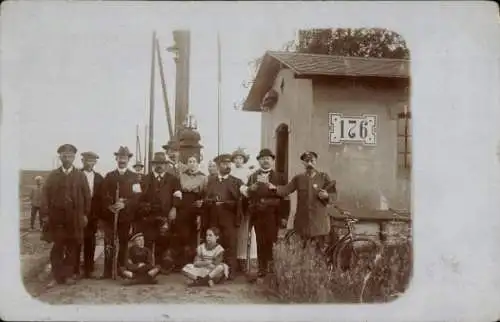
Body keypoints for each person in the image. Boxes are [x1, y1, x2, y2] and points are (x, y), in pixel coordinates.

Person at [40, 144, 91, 287]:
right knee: (57, 247)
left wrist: (85, 214)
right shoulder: (53, 175)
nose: (67, 158)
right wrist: (45, 215)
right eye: (64, 156)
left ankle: (68, 275)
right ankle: (56, 277)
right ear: (60, 157)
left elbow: (87, 196)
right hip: (57, 218)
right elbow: (45, 195)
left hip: (74, 218)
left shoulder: (80, 176)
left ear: (74, 158)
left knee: (72, 247)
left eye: (70, 156)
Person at [269, 151, 337, 248]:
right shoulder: (298, 178)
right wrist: (275, 188)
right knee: (303, 250)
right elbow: (286, 190)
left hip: (319, 222)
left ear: (316, 162)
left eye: (312, 161)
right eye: (306, 161)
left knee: (319, 251)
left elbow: (334, 195)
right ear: (303, 163)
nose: (309, 163)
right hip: (303, 222)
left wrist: (327, 195)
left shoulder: (323, 177)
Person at [240, 148, 288, 278]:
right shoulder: (253, 176)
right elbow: (246, 195)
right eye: (262, 158)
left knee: (271, 240)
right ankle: (262, 268)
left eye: (268, 158)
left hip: (273, 214)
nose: (265, 161)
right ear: (259, 161)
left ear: (272, 161)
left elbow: (285, 198)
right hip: (257, 214)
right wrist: (251, 189)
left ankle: (272, 267)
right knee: (260, 241)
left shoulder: (279, 177)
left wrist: (284, 216)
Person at [100, 146, 141, 279]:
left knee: (123, 243)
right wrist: (110, 206)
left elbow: (137, 197)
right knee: (109, 243)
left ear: (128, 159)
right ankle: (107, 271)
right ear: (116, 158)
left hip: (125, 217)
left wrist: (125, 204)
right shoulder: (109, 176)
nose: (122, 160)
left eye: (125, 158)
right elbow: (103, 195)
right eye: (120, 157)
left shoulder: (134, 177)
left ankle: (121, 269)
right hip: (110, 217)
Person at [137, 152, 182, 272]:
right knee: (149, 239)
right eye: (157, 163)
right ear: (153, 165)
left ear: (166, 165)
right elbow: (139, 197)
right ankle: (149, 266)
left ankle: (162, 266)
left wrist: (174, 208)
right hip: (149, 215)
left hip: (165, 215)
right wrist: (144, 208)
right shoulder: (145, 179)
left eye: (162, 163)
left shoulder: (173, 179)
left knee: (164, 240)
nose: (159, 166)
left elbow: (177, 195)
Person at [204, 154, 244, 280]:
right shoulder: (211, 181)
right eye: (224, 164)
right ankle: (216, 272)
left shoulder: (236, 182)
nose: (227, 166)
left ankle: (231, 272)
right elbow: (206, 198)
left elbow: (241, 200)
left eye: (229, 163)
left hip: (229, 219)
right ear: (218, 165)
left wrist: (226, 203)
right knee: (215, 246)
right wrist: (210, 201)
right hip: (214, 219)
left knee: (231, 245)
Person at [74, 151, 104, 279]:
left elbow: (101, 197)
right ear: (82, 161)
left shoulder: (99, 178)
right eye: (87, 161)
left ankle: (88, 269)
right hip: (79, 213)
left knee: (90, 241)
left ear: (95, 162)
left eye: (92, 161)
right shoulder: (76, 175)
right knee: (77, 241)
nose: (89, 163)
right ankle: (75, 269)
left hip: (93, 214)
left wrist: (99, 216)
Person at [176, 155, 207, 268]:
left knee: (194, 236)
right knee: (183, 235)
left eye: (194, 161)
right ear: (187, 164)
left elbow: (204, 194)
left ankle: (192, 262)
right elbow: (178, 191)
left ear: (198, 163)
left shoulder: (203, 177)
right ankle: (181, 263)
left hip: (195, 207)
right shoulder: (182, 176)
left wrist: (201, 207)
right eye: (190, 161)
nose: (192, 163)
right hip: (183, 206)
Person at [230, 148, 257, 273]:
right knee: (236, 231)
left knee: (246, 231)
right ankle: (236, 258)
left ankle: (248, 258)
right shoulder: (231, 171)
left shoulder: (248, 172)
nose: (238, 161)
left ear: (244, 160)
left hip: (244, 202)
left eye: (240, 158)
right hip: (234, 202)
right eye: (236, 158)